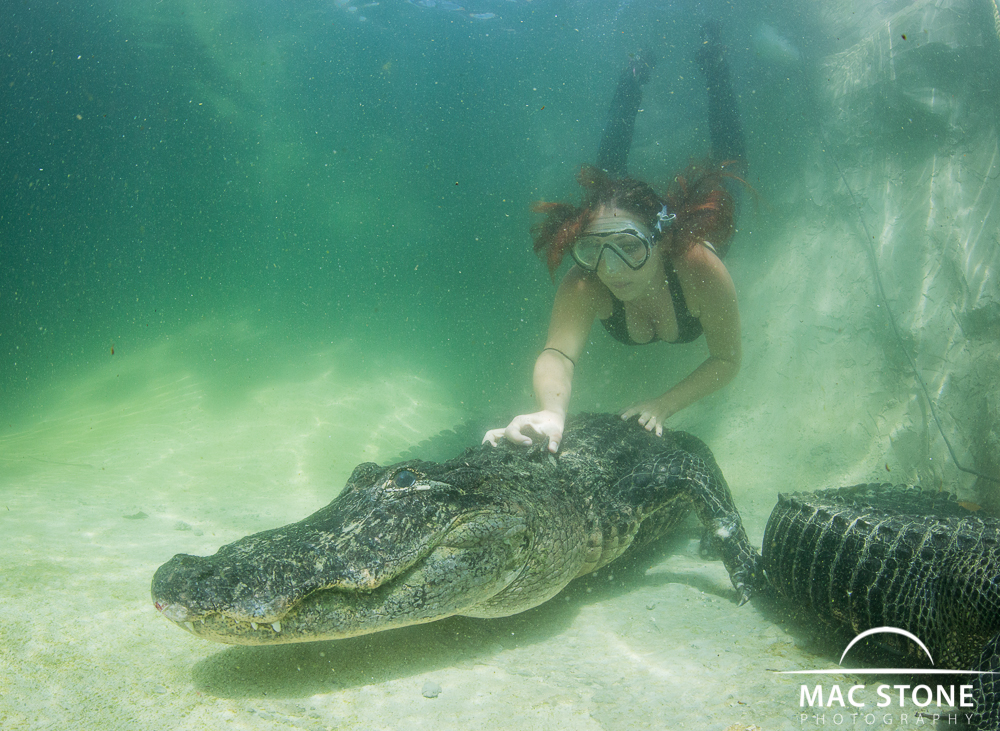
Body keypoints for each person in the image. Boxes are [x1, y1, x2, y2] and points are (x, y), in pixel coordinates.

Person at [484, 26, 747, 454]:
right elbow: (558, 355)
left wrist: (664, 404)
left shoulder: (698, 267)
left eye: (629, 247)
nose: (610, 267)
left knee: (731, 165)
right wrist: (551, 412)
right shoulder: (586, 281)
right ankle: (634, 73)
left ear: (660, 241)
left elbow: (726, 360)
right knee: (605, 184)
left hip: (688, 239)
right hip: (621, 211)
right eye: (591, 249)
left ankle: (714, 64)